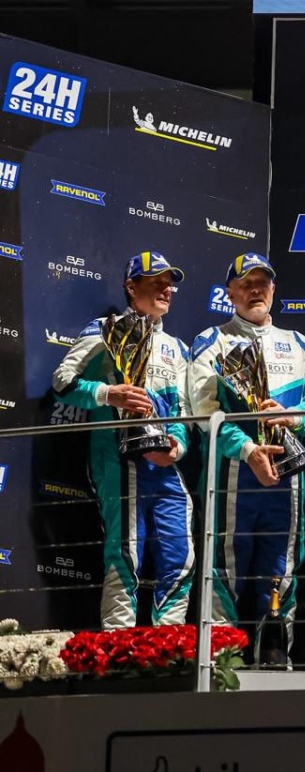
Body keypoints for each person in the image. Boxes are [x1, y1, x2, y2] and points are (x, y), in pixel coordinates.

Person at [189, 252, 305, 658]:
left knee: (280, 576)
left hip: (286, 484)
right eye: (246, 283)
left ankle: (274, 668)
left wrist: (294, 418)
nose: (256, 290)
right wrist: (248, 449)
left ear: (273, 289)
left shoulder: (298, 344)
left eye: (263, 282)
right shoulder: (210, 340)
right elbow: (202, 412)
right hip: (234, 478)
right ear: (230, 291)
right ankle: (219, 672)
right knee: (224, 575)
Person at [51, 251, 194, 629]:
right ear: (132, 286)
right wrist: (107, 394)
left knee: (180, 556)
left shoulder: (177, 348)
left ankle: (171, 645)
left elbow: (180, 412)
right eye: (156, 282)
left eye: (170, 283)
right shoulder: (103, 329)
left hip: (164, 465)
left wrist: (177, 447)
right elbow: (63, 382)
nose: (167, 289)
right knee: (126, 553)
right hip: (117, 460)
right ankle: (119, 644)